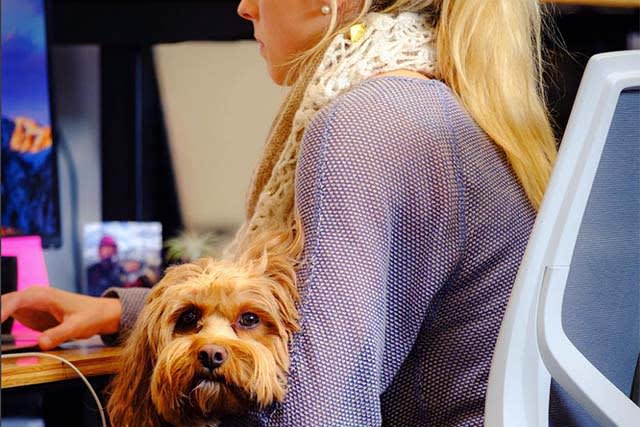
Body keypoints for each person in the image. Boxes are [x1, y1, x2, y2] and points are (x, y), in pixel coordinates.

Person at [1, 0, 558, 424]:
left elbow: (326, 405)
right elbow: (334, 307)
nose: (244, 6)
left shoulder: (365, 127)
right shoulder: (424, 101)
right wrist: (126, 314)